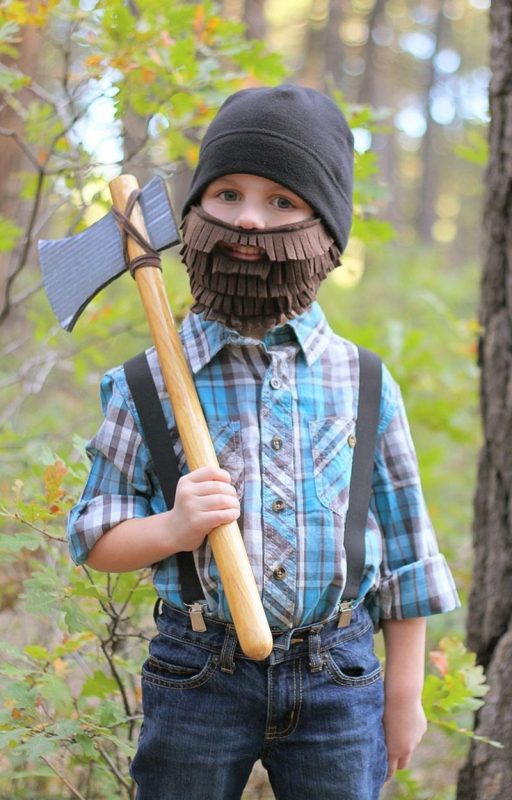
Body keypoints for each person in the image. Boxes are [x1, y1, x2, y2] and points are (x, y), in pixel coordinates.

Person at [68, 84, 460, 800]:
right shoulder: (146, 381)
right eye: (226, 194)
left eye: (283, 201)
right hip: (197, 673)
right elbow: (95, 536)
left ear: (327, 232)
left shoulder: (363, 381)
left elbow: (408, 558)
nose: (250, 219)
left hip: (340, 676)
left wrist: (403, 696)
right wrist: (174, 526)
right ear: (191, 215)